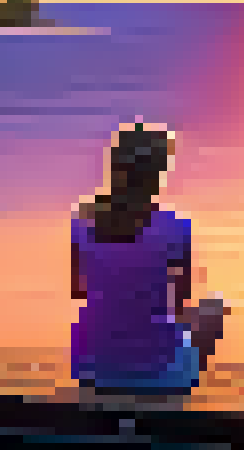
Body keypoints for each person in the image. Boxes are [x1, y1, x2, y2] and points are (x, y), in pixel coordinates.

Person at [70, 123, 227, 394]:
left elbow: (78, 290)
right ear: (157, 172)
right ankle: (179, 387)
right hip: (158, 374)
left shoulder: (83, 221)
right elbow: (179, 306)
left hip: (92, 369)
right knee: (213, 307)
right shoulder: (176, 227)